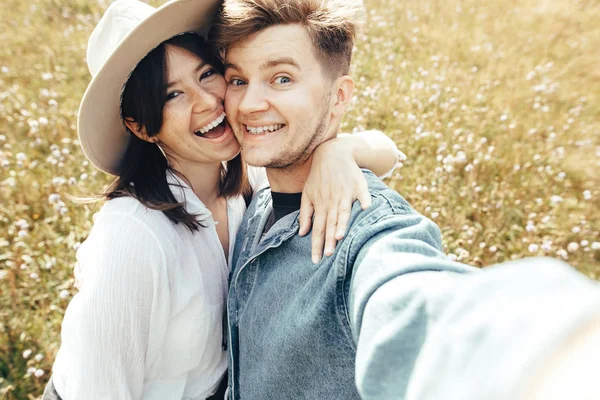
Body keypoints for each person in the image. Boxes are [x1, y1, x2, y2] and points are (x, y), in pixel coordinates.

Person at [211, 0, 600, 399]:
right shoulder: (258, 197)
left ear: (340, 96)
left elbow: (420, 308)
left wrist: (556, 360)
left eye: (281, 79)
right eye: (238, 80)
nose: (249, 104)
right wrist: (346, 148)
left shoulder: (365, 235)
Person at [42, 0, 402, 399]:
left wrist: (341, 150)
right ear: (142, 127)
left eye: (208, 74)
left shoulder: (247, 178)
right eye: (173, 94)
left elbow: (388, 154)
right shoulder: (132, 237)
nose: (207, 102)